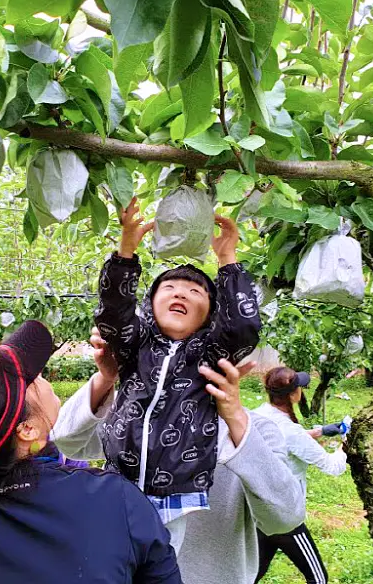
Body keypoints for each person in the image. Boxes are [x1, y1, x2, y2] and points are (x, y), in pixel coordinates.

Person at [0, 320, 182, 584]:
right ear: (27, 430)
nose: (43, 379)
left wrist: (105, 379)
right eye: (34, 378)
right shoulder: (115, 500)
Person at [53, 328, 305, 584]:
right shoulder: (139, 414)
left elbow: (284, 518)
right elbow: (68, 440)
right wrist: (106, 378)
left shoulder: (256, 430)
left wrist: (234, 418)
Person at [95, 196, 261, 549]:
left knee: (158, 565)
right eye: (168, 288)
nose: (180, 293)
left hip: (175, 495)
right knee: (107, 562)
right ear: (151, 305)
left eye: (195, 290)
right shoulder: (136, 343)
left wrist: (228, 261)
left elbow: (243, 326)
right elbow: (112, 314)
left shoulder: (211, 353)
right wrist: (125, 252)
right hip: (116, 483)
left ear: (211, 313)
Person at [252, 367, 348, 584]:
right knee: (318, 578)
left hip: (259, 508)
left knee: (251, 574)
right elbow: (333, 467)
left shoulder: (258, 414)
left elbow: (280, 440)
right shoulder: (291, 431)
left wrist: (320, 431)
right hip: (284, 514)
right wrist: (346, 446)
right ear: (293, 394)